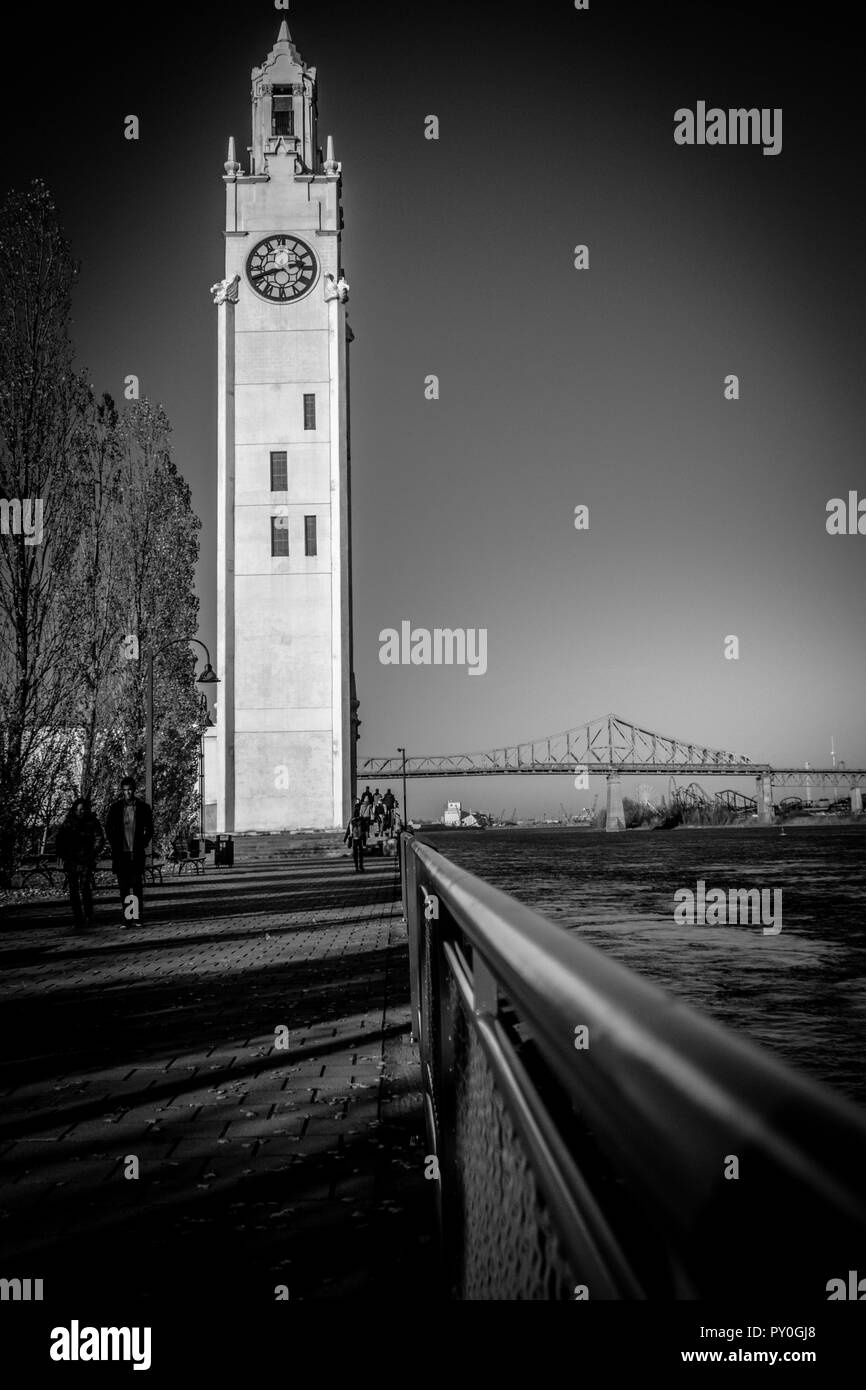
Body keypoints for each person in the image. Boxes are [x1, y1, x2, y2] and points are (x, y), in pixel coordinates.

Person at [105, 776, 153, 925]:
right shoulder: (115, 808)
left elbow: (150, 828)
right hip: (122, 853)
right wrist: (114, 844)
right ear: (122, 791)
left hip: (136, 852)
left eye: (130, 790)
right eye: (125, 791)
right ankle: (127, 917)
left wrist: (143, 843)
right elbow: (108, 828)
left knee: (137, 885)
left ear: (134, 790)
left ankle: (137, 916)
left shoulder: (143, 807)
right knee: (124, 887)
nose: (128, 793)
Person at [55, 797, 105, 931]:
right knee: (73, 890)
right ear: (74, 810)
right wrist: (64, 855)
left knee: (85, 888)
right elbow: (60, 840)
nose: (80, 812)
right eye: (78, 809)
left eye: (83, 809)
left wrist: (92, 853)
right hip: (72, 860)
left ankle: (89, 915)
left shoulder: (92, 822)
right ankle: (78, 917)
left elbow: (99, 838)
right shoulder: (68, 823)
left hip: (86, 860)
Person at [344, 800, 367, 872]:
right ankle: (361, 866)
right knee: (361, 854)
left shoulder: (352, 820)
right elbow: (365, 830)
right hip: (360, 839)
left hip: (354, 839)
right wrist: (365, 842)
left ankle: (356, 867)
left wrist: (345, 838)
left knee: (355, 854)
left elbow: (348, 829)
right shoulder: (362, 819)